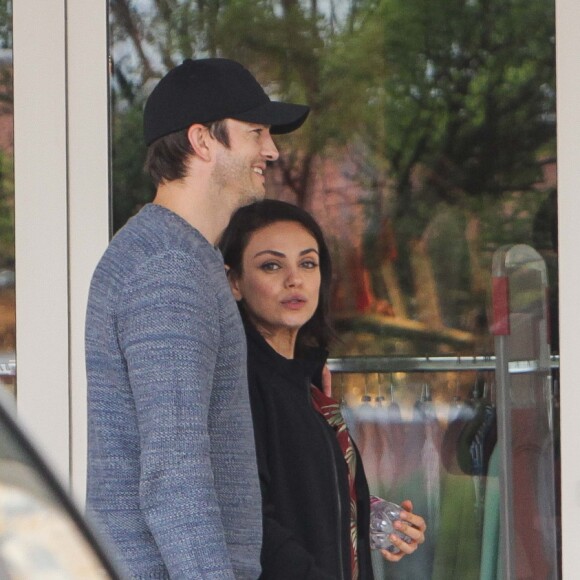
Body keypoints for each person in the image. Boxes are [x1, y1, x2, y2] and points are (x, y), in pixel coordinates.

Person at [85, 58, 309, 579]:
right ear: (203, 141)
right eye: (256, 133)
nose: (271, 150)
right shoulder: (169, 270)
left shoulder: (177, 256)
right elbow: (174, 472)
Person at [219, 199, 427, 580]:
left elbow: (299, 495)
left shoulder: (305, 380)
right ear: (234, 282)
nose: (294, 279)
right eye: (271, 265)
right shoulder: (242, 381)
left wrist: (370, 515)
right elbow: (250, 523)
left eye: (308, 263)